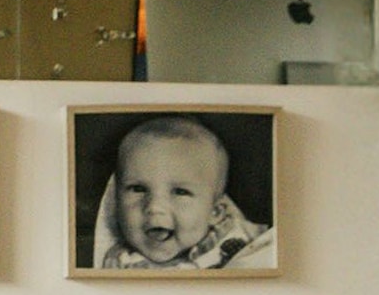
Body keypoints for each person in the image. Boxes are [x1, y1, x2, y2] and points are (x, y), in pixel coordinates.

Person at [97, 115, 272, 272]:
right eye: (138, 189)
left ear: (215, 212)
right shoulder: (119, 264)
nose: (155, 207)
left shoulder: (246, 243)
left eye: (180, 192)